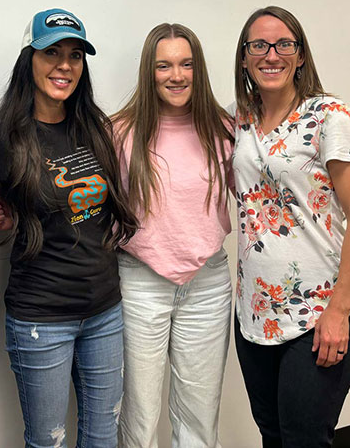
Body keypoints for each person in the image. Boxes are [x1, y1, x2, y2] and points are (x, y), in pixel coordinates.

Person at [0, 8, 137, 448]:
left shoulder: (95, 127)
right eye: (51, 52)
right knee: (47, 440)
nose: (64, 65)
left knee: (102, 435)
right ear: (28, 58)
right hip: (41, 317)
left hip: (105, 308)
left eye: (74, 55)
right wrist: (6, 211)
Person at [231, 6, 350, 448]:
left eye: (284, 45)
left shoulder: (330, 115)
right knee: (273, 435)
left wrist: (338, 310)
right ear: (244, 57)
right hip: (255, 314)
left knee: (303, 440)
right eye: (259, 45)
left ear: (299, 55)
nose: (271, 55)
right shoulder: (240, 120)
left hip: (318, 314)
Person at [111, 23, 234, 448]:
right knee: (139, 414)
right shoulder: (119, 131)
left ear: (199, 70)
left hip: (208, 284)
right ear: (149, 71)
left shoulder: (225, 130)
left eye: (186, 64)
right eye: (164, 65)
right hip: (140, 283)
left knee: (200, 415)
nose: (176, 75)